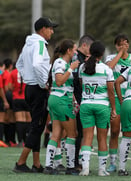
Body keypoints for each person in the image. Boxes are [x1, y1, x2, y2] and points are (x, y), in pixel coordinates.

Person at [13, 17, 58, 173]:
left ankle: (37, 164)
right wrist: (42, 83)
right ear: (42, 29)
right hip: (37, 89)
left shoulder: (28, 44)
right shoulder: (39, 43)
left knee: (36, 126)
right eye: (50, 28)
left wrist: (29, 79)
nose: (52, 31)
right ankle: (20, 162)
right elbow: (37, 64)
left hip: (29, 87)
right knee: (37, 126)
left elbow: (19, 64)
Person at [78, 41, 116, 176]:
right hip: (102, 106)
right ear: (102, 54)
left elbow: (82, 85)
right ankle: (101, 170)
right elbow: (111, 92)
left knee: (87, 137)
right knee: (102, 138)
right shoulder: (107, 69)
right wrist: (114, 108)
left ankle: (85, 169)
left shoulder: (82, 67)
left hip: (86, 105)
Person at [105, 34, 131, 172]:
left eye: (125, 43)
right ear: (116, 46)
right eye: (119, 44)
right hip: (115, 100)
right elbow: (109, 69)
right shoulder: (110, 58)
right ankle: (113, 162)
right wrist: (120, 53)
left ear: (129, 45)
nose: (123, 46)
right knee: (114, 131)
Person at [44, 39, 79, 175]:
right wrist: (71, 69)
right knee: (71, 134)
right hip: (61, 100)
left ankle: (49, 166)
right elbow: (59, 81)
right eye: (74, 49)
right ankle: (70, 167)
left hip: (58, 99)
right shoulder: (60, 62)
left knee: (56, 133)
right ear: (69, 51)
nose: (75, 52)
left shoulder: (63, 63)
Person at [72, 34, 95, 170]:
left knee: (79, 132)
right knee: (77, 133)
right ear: (84, 45)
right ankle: (75, 163)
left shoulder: (83, 58)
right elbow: (75, 80)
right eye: (90, 48)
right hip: (76, 98)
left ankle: (77, 162)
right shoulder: (76, 58)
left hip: (81, 98)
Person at [10, 67, 31, 147]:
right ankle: (27, 140)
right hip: (27, 97)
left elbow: (9, 86)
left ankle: (20, 140)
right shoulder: (28, 70)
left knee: (19, 119)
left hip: (17, 98)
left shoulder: (13, 72)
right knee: (28, 119)